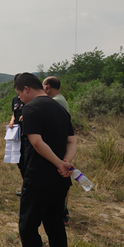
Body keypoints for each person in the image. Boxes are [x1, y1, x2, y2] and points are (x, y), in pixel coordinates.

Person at [11, 73, 77, 247]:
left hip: (38, 179)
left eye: (19, 93)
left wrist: (59, 162)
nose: (19, 98)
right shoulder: (60, 107)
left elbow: (36, 142)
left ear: (26, 89)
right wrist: (66, 163)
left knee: (28, 228)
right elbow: (72, 141)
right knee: (56, 229)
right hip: (60, 182)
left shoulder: (30, 109)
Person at [43, 76, 72, 226]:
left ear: (47, 87)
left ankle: (62, 211)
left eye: (43, 86)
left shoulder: (55, 102)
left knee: (62, 178)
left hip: (59, 144)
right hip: (62, 143)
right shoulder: (61, 99)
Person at [9, 75, 26, 196]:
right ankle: (26, 185)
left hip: (28, 134)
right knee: (19, 160)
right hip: (16, 134)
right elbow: (14, 114)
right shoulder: (15, 99)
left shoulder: (30, 98)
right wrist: (11, 121)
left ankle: (29, 188)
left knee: (27, 161)